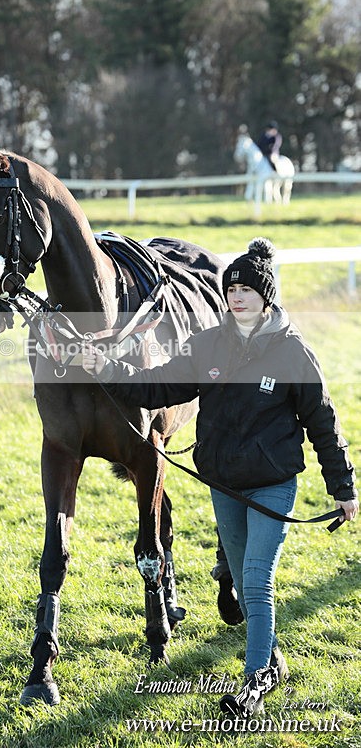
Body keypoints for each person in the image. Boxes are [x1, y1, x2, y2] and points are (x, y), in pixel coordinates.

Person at [82, 237, 358, 717]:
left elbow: (323, 421)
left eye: (247, 289)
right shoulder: (209, 343)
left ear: (266, 295)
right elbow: (160, 383)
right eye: (231, 289)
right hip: (224, 485)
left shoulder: (292, 352)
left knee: (255, 580)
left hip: (272, 485)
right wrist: (107, 367)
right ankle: (270, 658)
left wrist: (344, 489)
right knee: (248, 584)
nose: (237, 297)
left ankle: (252, 686)